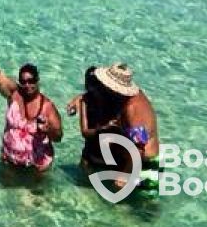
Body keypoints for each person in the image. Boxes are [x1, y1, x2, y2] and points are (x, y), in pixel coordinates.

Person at [0, 38, 63, 172]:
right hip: (10, 158)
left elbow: (58, 136)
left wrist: (48, 130)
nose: (27, 85)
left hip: (37, 166)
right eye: (23, 81)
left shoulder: (47, 106)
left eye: (31, 81)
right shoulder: (14, 94)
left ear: (38, 80)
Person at [66, 63, 160, 193]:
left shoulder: (132, 109)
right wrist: (81, 98)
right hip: (128, 159)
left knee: (144, 204)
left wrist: (125, 175)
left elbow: (139, 148)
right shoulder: (123, 99)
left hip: (144, 164)